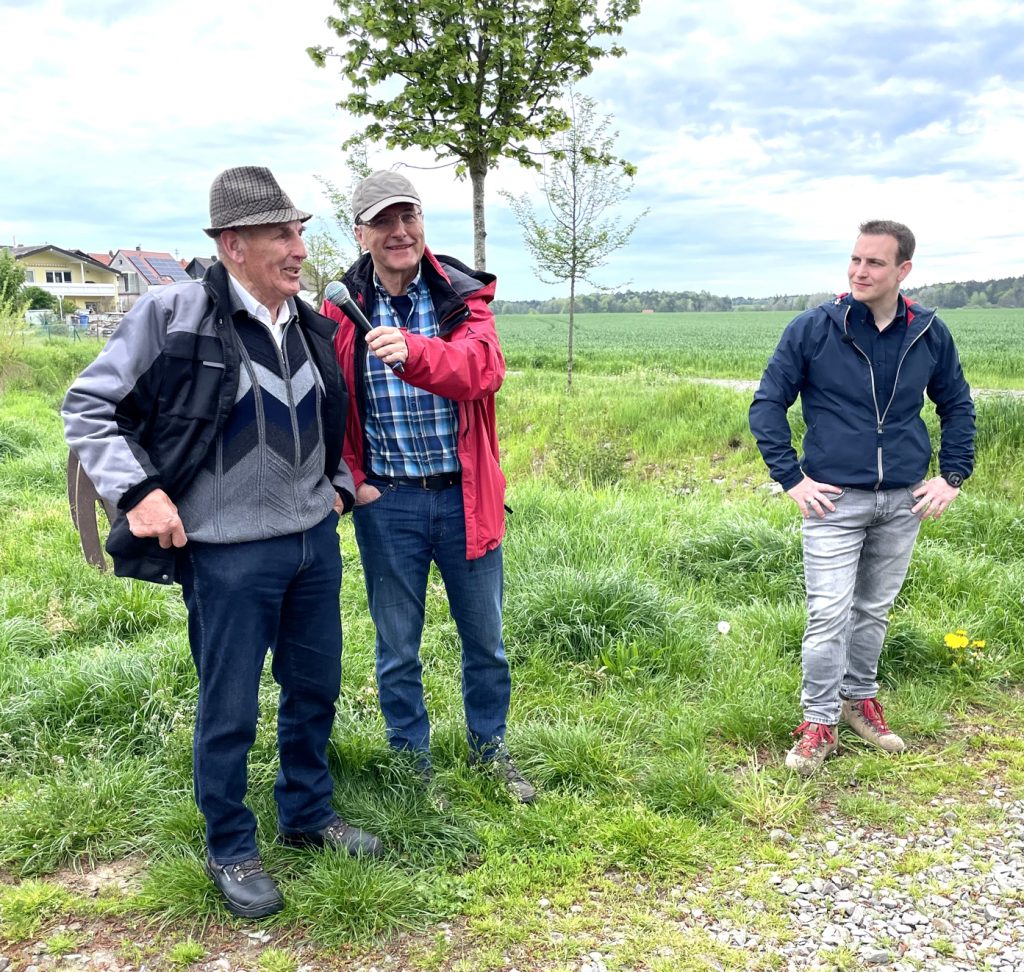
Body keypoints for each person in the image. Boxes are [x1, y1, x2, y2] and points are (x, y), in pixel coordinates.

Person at [62, 166, 383, 920]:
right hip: (227, 554)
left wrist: (337, 482)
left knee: (314, 690)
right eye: (283, 233)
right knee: (230, 704)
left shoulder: (308, 321)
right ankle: (231, 844)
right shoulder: (173, 316)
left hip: (311, 544)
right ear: (233, 244)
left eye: (300, 231)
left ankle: (307, 815)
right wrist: (140, 494)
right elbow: (88, 406)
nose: (300, 247)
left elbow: (330, 411)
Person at [320, 170, 536, 804]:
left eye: (407, 216)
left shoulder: (461, 298)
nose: (398, 231)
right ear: (360, 233)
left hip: (465, 496)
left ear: (422, 223)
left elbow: (482, 371)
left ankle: (490, 750)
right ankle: (410, 766)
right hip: (389, 504)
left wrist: (413, 351)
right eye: (382, 221)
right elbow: (329, 403)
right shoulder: (339, 310)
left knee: (486, 643)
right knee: (397, 647)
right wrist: (353, 480)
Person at [749, 220, 976, 776]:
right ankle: (819, 720)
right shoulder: (815, 328)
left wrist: (951, 476)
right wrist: (791, 478)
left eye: (874, 263)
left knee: (872, 610)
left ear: (903, 271)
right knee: (829, 614)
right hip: (833, 501)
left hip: (903, 500)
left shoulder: (927, 332)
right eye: (854, 260)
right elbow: (767, 404)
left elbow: (958, 404)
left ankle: (858, 700)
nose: (859, 271)